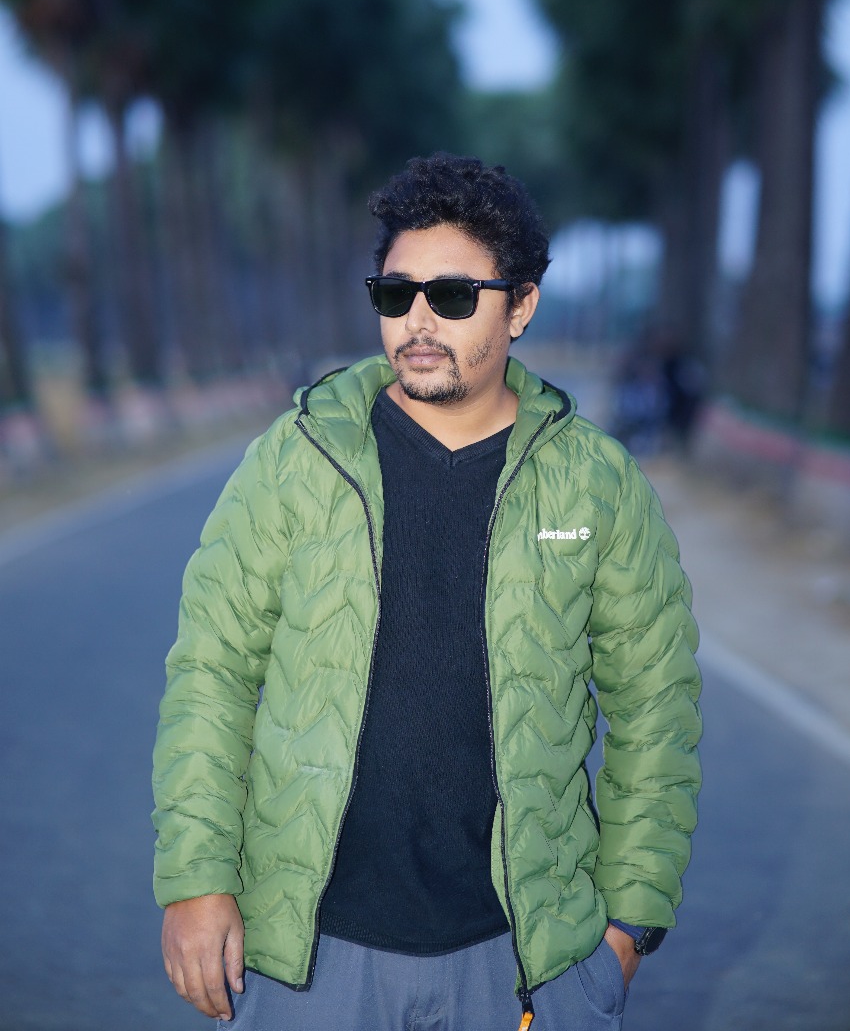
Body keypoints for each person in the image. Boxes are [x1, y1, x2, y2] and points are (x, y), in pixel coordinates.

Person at [152, 153, 702, 1031]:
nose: (417, 320)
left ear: (519, 306)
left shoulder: (596, 483)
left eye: (451, 296)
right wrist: (196, 879)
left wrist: (627, 930)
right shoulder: (297, 459)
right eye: (395, 293)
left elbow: (655, 710)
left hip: (523, 958)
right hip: (308, 958)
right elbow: (211, 675)